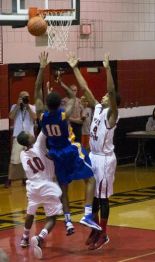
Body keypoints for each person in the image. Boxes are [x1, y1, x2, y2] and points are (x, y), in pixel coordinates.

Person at [35, 51, 101, 236]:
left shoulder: (41, 116)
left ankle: (68, 221)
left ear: (46, 104)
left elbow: (36, 87)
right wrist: (63, 84)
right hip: (69, 149)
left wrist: (41, 68)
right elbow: (73, 97)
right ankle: (87, 213)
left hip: (54, 153)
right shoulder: (64, 115)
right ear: (59, 105)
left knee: (63, 188)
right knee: (91, 178)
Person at [67, 52, 120, 250]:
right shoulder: (97, 107)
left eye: (107, 96)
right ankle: (96, 229)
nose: (104, 95)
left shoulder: (112, 114)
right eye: (104, 95)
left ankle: (104, 233)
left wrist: (108, 69)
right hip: (93, 156)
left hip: (105, 160)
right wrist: (74, 68)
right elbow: (85, 87)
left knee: (103, 198)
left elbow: (112, 91)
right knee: (94, 197)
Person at [17, 131, 63, 259]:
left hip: (32, 186)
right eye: (29, 134)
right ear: (29, 140)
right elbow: (45, 129)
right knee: (52, 218)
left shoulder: (22, 154)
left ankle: (25, 237)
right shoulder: (39, 144)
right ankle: (40, 237)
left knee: (30, 212)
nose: (32, 133)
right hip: (47, 186)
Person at [5, 91, 37, 188]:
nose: (24, 99)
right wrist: (17, 106)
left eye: (26, 97)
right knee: (14, 159)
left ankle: (25, 179)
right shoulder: (15, 106)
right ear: (19, 98)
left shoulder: (32, 107)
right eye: (23, 97)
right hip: (18, 136)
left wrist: (27, 107)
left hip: (29, 137)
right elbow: (10, 116)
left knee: (29, 159)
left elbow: (35, 117)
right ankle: (9, 179)